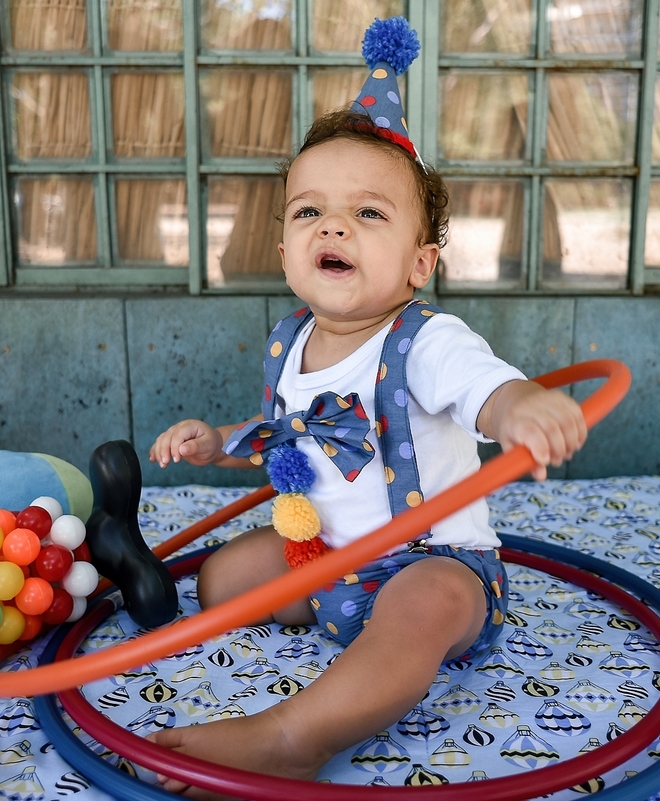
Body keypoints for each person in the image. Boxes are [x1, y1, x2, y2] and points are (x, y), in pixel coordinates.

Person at [145, 18, 586, 799]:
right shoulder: (291, 339)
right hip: (323, 556)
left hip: (432, 564)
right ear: (284, 248)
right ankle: (333, 621)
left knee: (420, 608)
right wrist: (219, 441)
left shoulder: (426, 338)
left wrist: (516, 404)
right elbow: (290, 436)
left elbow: (479, 382)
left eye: (369, 214)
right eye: (310, 212)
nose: (335, 225)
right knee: (221, 581)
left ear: (421, 262)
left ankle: (293, 736)